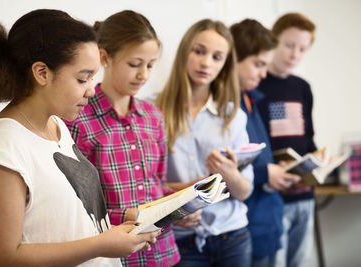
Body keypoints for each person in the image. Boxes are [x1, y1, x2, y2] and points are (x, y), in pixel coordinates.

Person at [0, 9, 161, 267]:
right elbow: (2, 259)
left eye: (92, 78)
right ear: (42, 73)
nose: (91, 90)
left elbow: (66, 221)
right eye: (82, 78)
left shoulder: (56, 124)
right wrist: (102, 244)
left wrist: (117, 223)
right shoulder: (3, 149)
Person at [65, 10, 184, 267]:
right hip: (113, 258)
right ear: (105, 57)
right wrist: (131, 216)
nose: (143, 75)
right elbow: (77, 207)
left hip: (163, 254)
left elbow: (157, 185)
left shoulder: (153, 116)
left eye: (150, 65)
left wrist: (181, 206)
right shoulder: (78, 119)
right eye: (134, 64)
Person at [155, 19, 254, 267]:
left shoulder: (234, 116)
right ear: (184, 52)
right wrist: (189, 191)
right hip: (180, 240)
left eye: (217, 57)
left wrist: (230, 174)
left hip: (233, 236)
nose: (206, 63)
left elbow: (244, 192)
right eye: (199, 52)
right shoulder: (152, 111)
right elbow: (147, 186)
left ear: (225, 65)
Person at [230, 19, 301, 267]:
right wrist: (264, 172)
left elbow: (255, 155)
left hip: (269, 219)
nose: (263, 74)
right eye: (258, 65)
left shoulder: (251, 100)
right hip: (248, 225)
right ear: (234, 58)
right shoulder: (226, 108)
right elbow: (223, 166)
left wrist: (274, 167)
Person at [256, 13, 317, 267]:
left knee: (301, 260)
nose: (295, 54)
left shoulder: (302, 87)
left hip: (304, 196)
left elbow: (309, 138)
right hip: (273, 198)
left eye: (302, 49)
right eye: (289, 45)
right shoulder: (257, 85)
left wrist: (319, 162)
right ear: (273, 41)